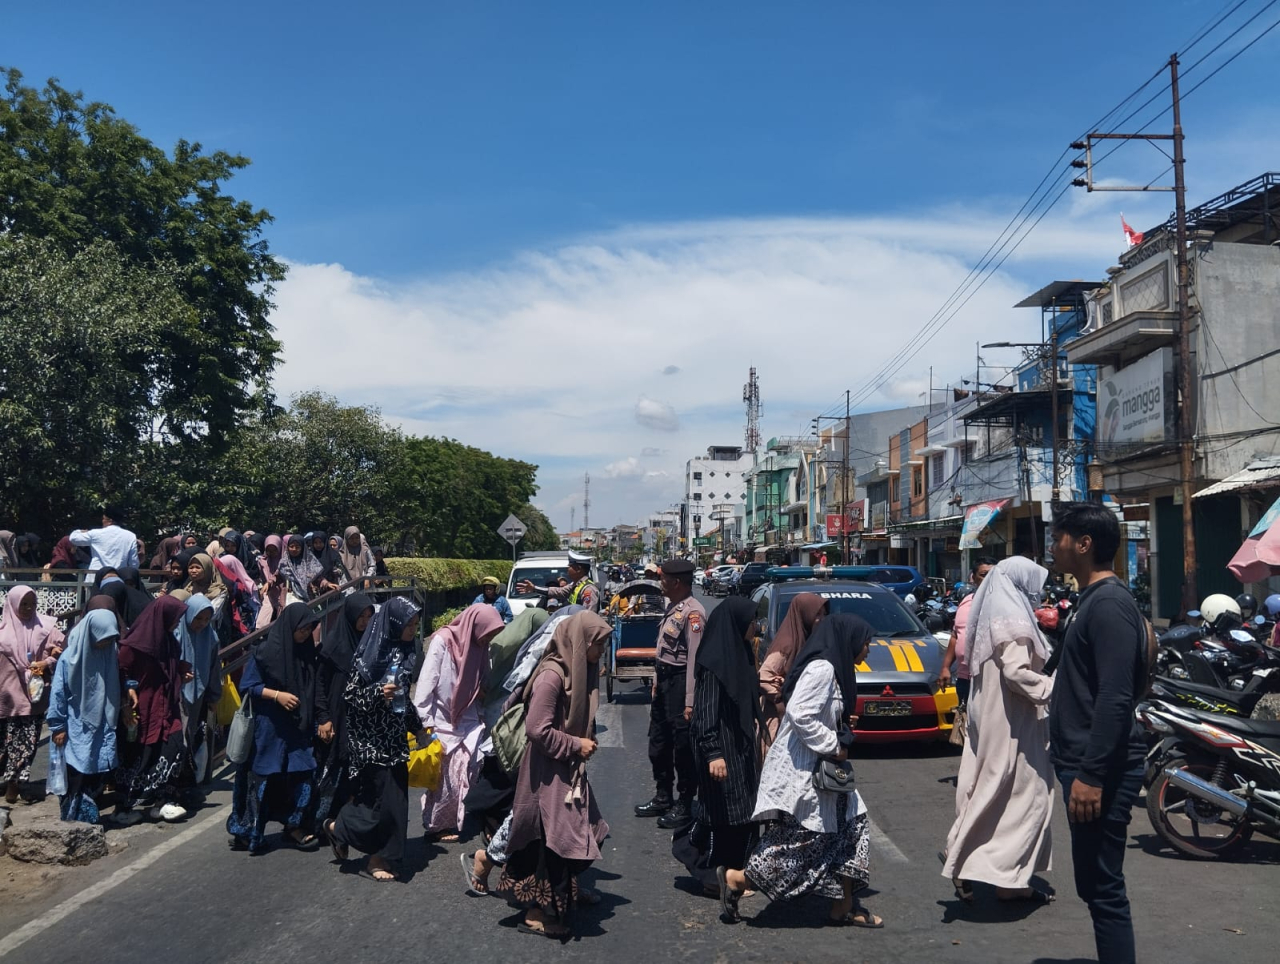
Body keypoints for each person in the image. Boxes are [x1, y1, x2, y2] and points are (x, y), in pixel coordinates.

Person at [718, 615, 882, 929]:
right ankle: (738, 878)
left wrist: (839, 725)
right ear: (850, 640)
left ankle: (843, 906)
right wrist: (834, 743)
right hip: (805, 773)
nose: (868, 650)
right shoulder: (823, 669)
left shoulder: (834, 671)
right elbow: (800, 713)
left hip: (824, 773)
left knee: (853, 825)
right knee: (803, 843)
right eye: (866, 642)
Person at [1049, 502, 1148, 964]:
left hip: (1100, 770)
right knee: (1093, 884)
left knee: (1104, 889)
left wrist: (1089, 774)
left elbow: (1114, 697)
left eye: (1060, 536)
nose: (1054, 545)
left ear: (1084, 544)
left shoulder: (1108, 605)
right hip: (1083, 764)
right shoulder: (1091, 599)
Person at [941, 556, 1055, 904]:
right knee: (1024, 794)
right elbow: (1017, 673)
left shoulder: (992, 617)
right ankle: (971, 860)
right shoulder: (1015, 623)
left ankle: (1008, 880)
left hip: (989, 714)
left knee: (988, 785)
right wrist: (1054, 688)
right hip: (1013, 719)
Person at [497, 611, 612, 938]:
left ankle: (542, 908)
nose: (601, 651)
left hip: (565, 771)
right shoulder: (551, 676)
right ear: (582, 642)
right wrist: (575, 744)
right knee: (559, 844)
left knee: (574, 837)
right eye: (599, 644)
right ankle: (546, 915)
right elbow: (536, 729)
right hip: (549, 773)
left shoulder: (577, 673)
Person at [325, 597, 430, 881]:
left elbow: (403, 700)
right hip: (370, 742)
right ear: (394, 623)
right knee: (383, 804)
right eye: (409, 624)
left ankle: (344, 831)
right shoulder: (370, 653)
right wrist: (376, 694)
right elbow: (350, 696)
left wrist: (417, 729)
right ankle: (373, 857)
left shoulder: (406, 652)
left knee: (393, 802)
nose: (412, 630)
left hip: (394, 740)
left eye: (416, 625)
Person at [677, 597, 763, 895]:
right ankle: (712, 874)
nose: (756, 627)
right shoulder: (715, 663)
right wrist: (714, 753)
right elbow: (704, 714)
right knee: (721, 815)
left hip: (740, 750)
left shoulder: (741, 654)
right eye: (752, 621)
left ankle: (734, 875)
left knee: (741, 814)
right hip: (721, 753)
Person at [226, 602, 322, 853]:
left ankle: (294, 827)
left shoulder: (306, 653)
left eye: (309, 629)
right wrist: (277, 695)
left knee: (302, 777)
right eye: (302, 629)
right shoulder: (264, 652)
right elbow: (248, 686)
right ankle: (249, 831)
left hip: (297, 729)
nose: (305, 634)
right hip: (268, 731)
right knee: (262, 782)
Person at [415, 604, 506, 840]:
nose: (489, 637)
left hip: (469, 719)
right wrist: (425, 723)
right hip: (442, 721)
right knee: (446, 780)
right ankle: (436, 825)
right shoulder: (442, 641)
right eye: (488, 632)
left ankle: (457, 817)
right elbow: (426, 684)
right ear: (476, 625)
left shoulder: (480, 646)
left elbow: (483, 680)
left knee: (468, 772)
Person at [635, 558, 706, 830]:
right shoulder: (673, 608)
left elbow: (693, 663)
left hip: (680, 685)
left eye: (663, 579)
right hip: (665, 683)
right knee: (658, 743)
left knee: (683, 748)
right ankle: (663, 796)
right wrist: (655, 682)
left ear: (676, 582)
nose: (660, 583)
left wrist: (690, 702)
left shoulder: (694, 613)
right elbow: (661, 651)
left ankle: (685, 803)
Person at [116, 595, 190, 822]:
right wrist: (127, 691)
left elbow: (173, 664)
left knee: (174, 747)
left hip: (166, 705)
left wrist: (181, 672)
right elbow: (121, 670)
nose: (178, 623)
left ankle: (163, 800)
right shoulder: (134, 645)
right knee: (139, 755)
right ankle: (125, 807)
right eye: (175, 618)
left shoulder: (168, 640)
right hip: (142, 708)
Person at [47, 610, 121, 824]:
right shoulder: (69, 658)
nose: (105, 643)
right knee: (76, 772)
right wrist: (58, 726)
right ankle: (72, 820)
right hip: (75, 726)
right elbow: (58, 694)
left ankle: (88, 820)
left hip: (102, 723)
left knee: (96, 770)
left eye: (110, 638)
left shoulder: (109, 653)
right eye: (102, 638)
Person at [312, 592, 375, 828]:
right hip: (335, 718)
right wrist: (324, 718)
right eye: (361, 616)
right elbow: (320, 685)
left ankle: (342, 823)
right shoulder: (333, 646)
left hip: (359, 718)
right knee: (328, 770)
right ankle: (318, 822)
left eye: (369, 616)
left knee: (355, 772)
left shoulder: (369, 645)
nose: (365, 621)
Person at [0, 586, 65, 803]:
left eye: (32, 604)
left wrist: (46, 662)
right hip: (6, 699)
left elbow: (62, 650)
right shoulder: (2, 630)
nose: (28, 609)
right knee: (6, 743)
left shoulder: (45, 626)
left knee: (27, 742)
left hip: (33, 698)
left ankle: (15, 784)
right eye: (23, 604)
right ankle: (10, 781)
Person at [759, 592, 827, 745]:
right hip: (779, 720)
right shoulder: (788, 644)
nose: (822, 619)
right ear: (805, 614)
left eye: (824, 614)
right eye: (817, 614)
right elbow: (763, 677)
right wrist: (780, 697)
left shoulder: (808, 640)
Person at [175, 594, 221, 789]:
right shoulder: (176, 633)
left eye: (206, 619)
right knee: (177, 738)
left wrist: (213, 696)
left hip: (198, 695)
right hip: (176, 694)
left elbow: (213, 668)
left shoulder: (210, 636)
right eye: (198, 618)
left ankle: (184, 781)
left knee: (191, 734)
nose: (201, 624)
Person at [938, 557, 996, 705]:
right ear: (974, 578)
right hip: (964, 678)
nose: (989, 579)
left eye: (993, 574)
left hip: (990, 679)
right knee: (964, 722)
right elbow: (955, 635)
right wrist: (945, 668)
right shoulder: (966, 601)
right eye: (984, 575)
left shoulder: (1003, 605)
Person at [517, 550, 600, 613]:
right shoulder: (576, 585)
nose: (568, 568)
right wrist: (534, 588)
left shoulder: (588, 590)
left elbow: (588, 617)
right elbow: (558, 591)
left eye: (570, 566)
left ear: (578, 569)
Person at [69, 506, 139, 571]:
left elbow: (73, 538)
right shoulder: (130, 536)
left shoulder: (95, 533)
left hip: (95, 577)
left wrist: (79, 531)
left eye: (103, 518)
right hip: (118, 577)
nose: (102, 521)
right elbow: (133, 562)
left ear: (110, 521)